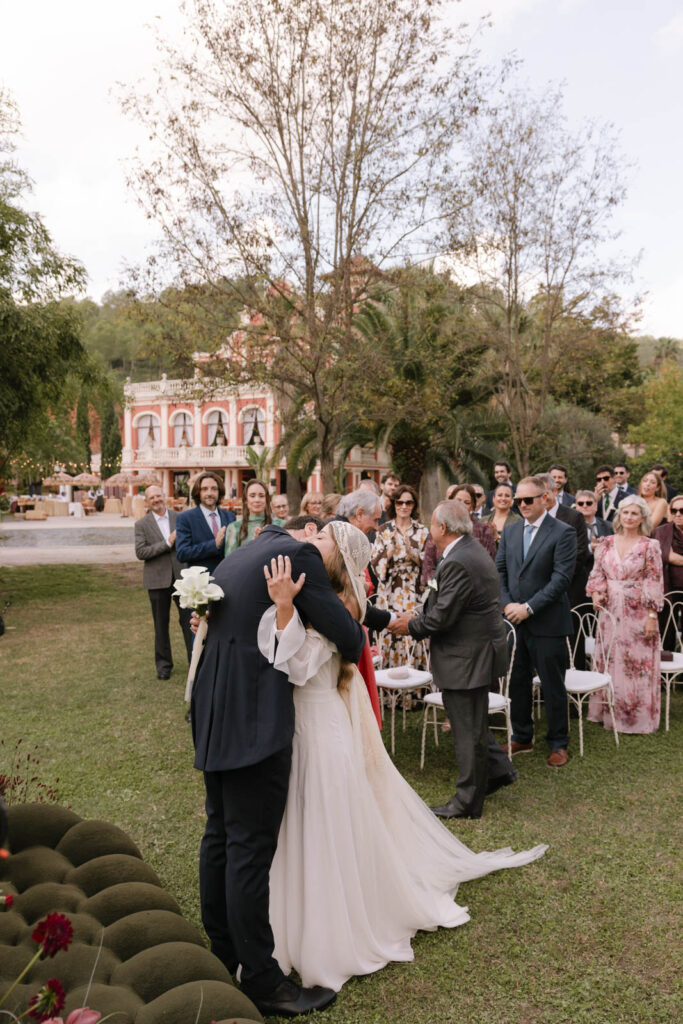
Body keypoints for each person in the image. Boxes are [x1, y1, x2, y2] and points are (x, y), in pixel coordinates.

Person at [259, 520, 547, 992]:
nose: (313, 536)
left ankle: (335, 924)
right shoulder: (325, 598)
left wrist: (285, 608)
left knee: (324, 821)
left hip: (321, 728)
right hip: (304, 727)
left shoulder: (334, 609)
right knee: (302, 817)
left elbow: (297, 664)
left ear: (334, 559)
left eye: (324, 537)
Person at [192, 517, 365, 1017]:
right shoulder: (298, 559)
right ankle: (265, 982)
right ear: (303, 534)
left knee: (220, 835)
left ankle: (223, 951)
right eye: (319, 533)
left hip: (215, 710)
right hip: (254, 721)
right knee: (248, 847)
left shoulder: (240, 554)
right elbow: (346, 634)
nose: (319, 541)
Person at [392, 501, 518, 818]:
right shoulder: (468, 550)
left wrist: (409, 625)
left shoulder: (459, 561)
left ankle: (466, 802)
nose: (430, 530)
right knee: (472, 723)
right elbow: (444, 605)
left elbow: (441, 619)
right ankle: (500, 770)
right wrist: (420, 614)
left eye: (431, 524)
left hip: (467, 655)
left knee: (466, 731)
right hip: (475, 650)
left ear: (443, 528)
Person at [496, 475, 576, 767]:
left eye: (528, 499)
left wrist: (528, 607)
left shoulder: (563, 532)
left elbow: (561, 580)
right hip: (515, 623)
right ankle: (522, 735)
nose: (522, 505)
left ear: (546, 497)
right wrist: (507, 604)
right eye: (519, 500)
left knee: (553, 685)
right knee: (517, 682)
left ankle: (558, 743)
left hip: (547, 622)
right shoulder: (511, 531)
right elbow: (500, 570)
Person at [586, 494, 665, 733]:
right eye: (625, 512)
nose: (629, 517)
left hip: (638, 612)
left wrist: (652, 617)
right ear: (619, 515)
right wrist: (596, 593)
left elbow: (654, 581)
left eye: (634, 513)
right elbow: (597, 574)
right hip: (609, 612)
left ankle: (635, 719)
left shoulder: (649, 546)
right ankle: (605, 713)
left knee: (636, 664)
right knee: (609, 661)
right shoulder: (606, 542)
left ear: (642, 517)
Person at [134, 485, 194, 680]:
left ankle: (194, 661)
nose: (156, 500)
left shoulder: (180, 518)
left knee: (188, 622)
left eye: (158, 496)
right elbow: (141, 552)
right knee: (160, 625)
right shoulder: (142, 524)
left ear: (164, 496)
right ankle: (163, 666)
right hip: (157, 580)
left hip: (182, 578)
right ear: (147, 502)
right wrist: (167, 543)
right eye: (151, 498)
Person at [370, 484, 429, 669]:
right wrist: (390, 552)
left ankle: (412, 692)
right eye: (399, 502)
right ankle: (389, 692)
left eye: (408, 502)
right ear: (393, 504)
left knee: (413, 636)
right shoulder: (382, 531)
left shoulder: (422, 531)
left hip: (414, 591)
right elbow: (374, 565)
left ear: (414, 505)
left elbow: (430, 567)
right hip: (390, 591)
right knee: (390, 632)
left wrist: (414, 555)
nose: (404, 506)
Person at [176, 472, 236, 574]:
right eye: (204, 489)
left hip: (227, 578)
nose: (209, 493)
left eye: (214, 489)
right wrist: (214, 545)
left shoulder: (230, 517)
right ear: (198, 492)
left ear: (219, 491)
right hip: (200, 583)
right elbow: (182, 553)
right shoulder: (185, 518)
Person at [224, 479, 274, 555]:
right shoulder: (234, 527)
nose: (257, 500)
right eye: (252, 496)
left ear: (267, 499)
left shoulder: (279, 524)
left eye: (261, 496)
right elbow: (230, 562)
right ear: (246, 500)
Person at [447, 484, 496, 559]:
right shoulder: (441, 527)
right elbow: (429, 563)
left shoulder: (483, 531)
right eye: (458, 500)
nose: (461, 505)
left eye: (467, 503)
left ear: (472, 506)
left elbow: (489, 561)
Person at [575, 489, 614, 570]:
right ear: (576, 507)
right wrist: (590, 548)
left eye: (589, 503)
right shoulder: (570, 528)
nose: (584, 506)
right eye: (580, 503)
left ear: (596, 506)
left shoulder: (609, 526)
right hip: (580, 573)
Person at [654, 496, 683, 595]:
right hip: (669, 588)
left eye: (682, 511)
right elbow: (666, 555)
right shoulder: (661, 531)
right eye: (674, 511)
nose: (678, 514)